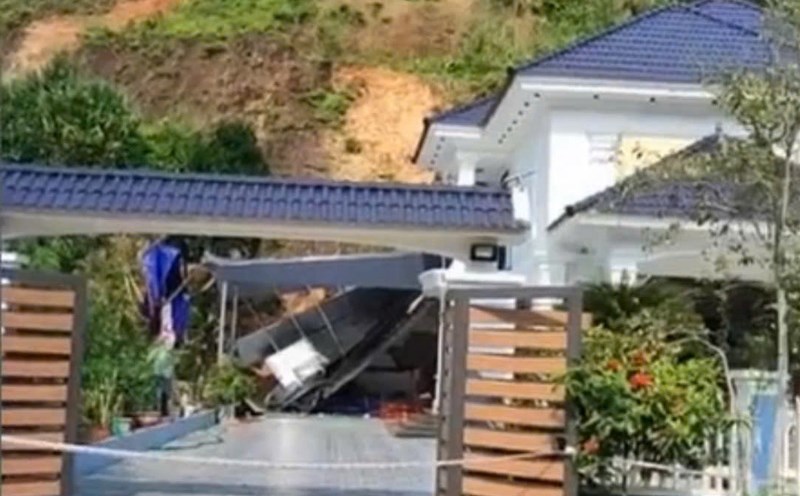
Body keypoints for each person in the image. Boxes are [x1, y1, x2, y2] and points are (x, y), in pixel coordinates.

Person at [149, 331, 176, 418]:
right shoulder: (159, 350)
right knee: (162, 393)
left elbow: (149, 358)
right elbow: (149, 358)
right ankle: (160, 411)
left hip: (163, 374)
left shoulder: (162, 350)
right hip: (161, 374)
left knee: (164, 393)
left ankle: (163, 411)